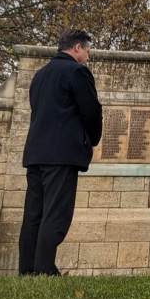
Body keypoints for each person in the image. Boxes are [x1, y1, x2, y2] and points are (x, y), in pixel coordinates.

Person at [18, 29, 103, 276]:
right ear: (77, 47)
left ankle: (28, 269)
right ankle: (44, 269)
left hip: (36, 154)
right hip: (61, 155)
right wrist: (92, 139)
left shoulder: (40, 75)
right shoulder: (76, 71)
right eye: (87, 50)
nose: (87, 56)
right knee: (55, 213)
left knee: (34, 212)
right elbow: (90, 111)